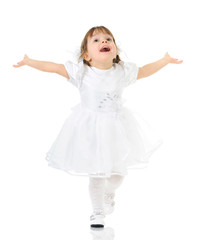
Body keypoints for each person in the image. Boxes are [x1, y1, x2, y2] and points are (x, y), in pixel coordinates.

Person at [13, 26, 183, 229]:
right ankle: (97, 212)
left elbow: (145, 71)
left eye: (108, 39)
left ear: (115, 49)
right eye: (96, 41)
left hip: (117, 129)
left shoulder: (122, 72)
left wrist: (164, 61)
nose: (104, 42)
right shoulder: (82, 72)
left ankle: (109, 193)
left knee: (118, 174)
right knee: (97, 173)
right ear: (86, 55)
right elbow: (55, 67)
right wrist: (30, 62)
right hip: (90, 130)